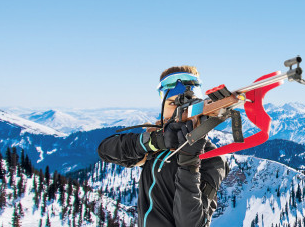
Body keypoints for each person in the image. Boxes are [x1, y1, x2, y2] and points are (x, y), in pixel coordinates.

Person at [97, 65, 229, 227]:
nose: (181, 110)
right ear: (163, 107)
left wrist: (189, 161)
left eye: (189, 103)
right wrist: (154, 141)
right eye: (173, 103)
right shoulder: (156, 145)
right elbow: (105, 150)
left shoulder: (212, 158)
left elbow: (191, 224)